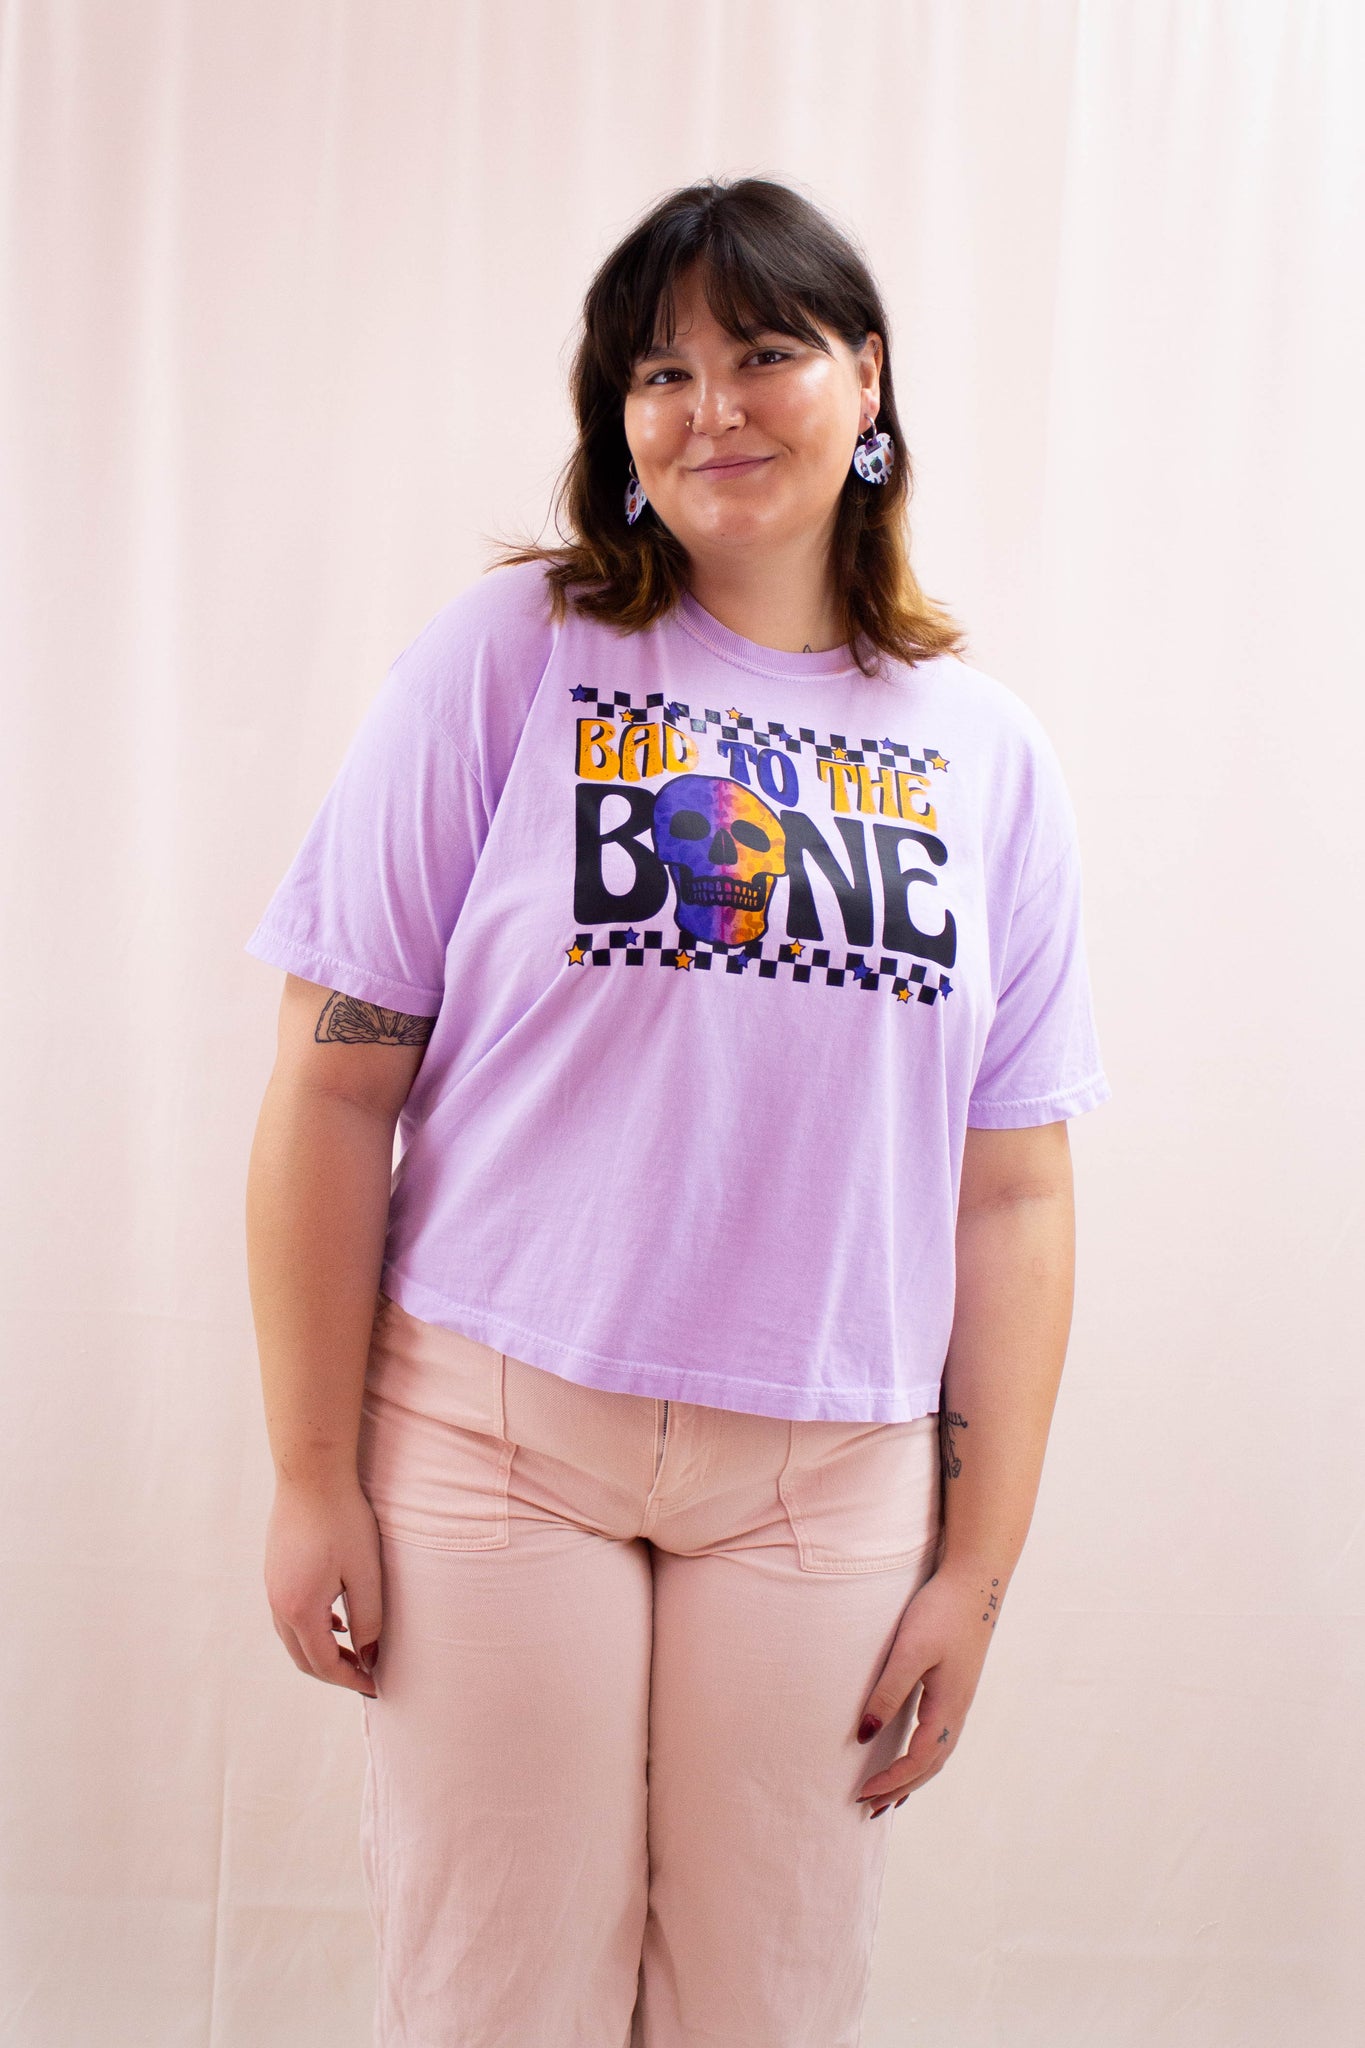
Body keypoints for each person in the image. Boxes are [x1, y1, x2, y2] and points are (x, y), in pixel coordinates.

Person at [244, 174, 1112, 2048]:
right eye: (658, 372)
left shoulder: (985, 756)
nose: (709, 406)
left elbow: (1015, 1194)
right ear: (616, 419)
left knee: (766, 2005)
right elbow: (332, 1083)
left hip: (830, 1473)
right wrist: (312, 1475)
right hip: (493, 1437)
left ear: (865, 380)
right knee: (496, 1999)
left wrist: (977, 1572)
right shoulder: (514, 658)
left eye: (762, 353)